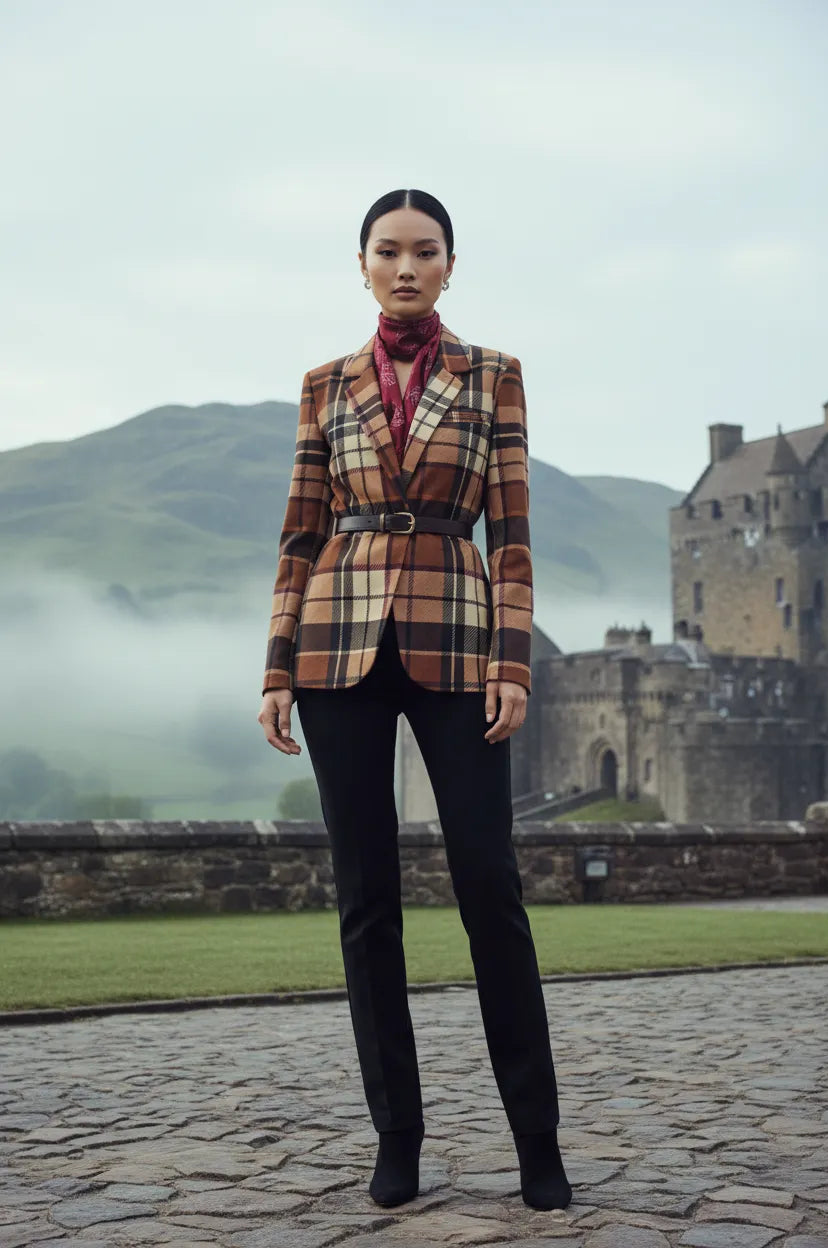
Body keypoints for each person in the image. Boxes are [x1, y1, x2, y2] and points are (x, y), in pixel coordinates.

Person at [257, 188, 572, 1213]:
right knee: (364, 902)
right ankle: (398, 1136)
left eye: (423, 252)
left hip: (456, 642)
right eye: (386, 252)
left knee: (490, 884)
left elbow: (511, 534)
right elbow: (300, 534)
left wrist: (513, 661)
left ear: (448, 265)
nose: (404, 267)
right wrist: (274, 670)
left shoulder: (494, 377)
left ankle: (537, 1144)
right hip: (335, 652)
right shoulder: (322, 385)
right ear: (360, 264)